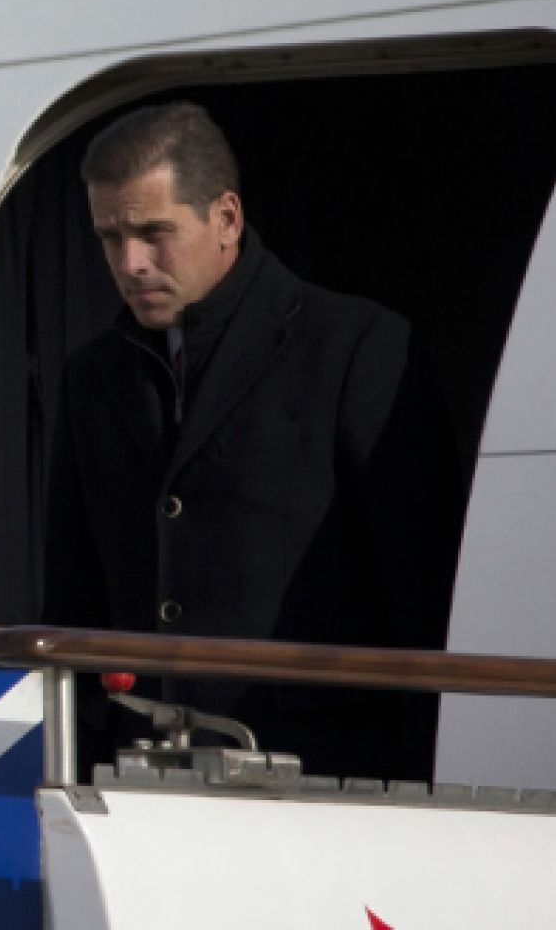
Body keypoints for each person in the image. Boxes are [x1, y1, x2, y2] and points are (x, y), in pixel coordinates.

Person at [43, 101, 459, 782]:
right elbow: (72, 595)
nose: (131, 262)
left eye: (154, 232)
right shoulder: (92, 376)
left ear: (227, 218)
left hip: (326, 773)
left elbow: (421, 593)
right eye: (110, 238)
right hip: (139, 776)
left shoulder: (356, 347)